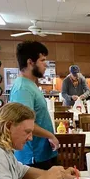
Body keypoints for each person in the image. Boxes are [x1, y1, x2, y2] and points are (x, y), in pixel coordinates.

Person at [9, 41, 59, 170]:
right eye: (42, 60)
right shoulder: (23, 88)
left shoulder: (30, 84)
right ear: (30, 62)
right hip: (33, 155)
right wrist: (50, 135)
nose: (46, 65)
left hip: (42, 151)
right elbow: (24, 124)